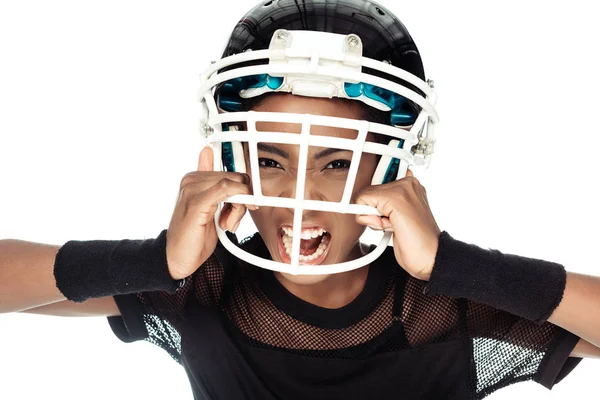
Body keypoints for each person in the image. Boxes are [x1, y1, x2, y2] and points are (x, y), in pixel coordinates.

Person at [1, 0, 599, 399]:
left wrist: (456, 265)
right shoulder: (199, 286)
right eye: (270, 161)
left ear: (386, 171)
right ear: (233, 164)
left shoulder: (451, 306)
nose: (297, 201)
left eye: (336, 164)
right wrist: (156, 261)